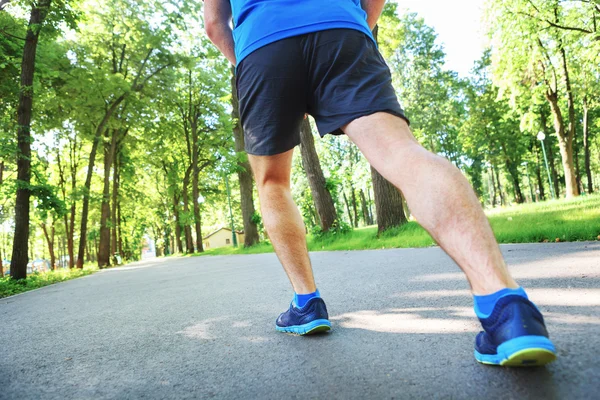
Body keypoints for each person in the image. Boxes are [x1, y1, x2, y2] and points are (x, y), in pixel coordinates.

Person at [203, 0, 557, 367]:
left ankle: (306, 302)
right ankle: (506, 305)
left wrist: (252, 60)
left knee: (273, 182)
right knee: (401, 152)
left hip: (262, 44)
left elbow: (214, 25)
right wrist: (356, 25)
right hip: (341, 28)